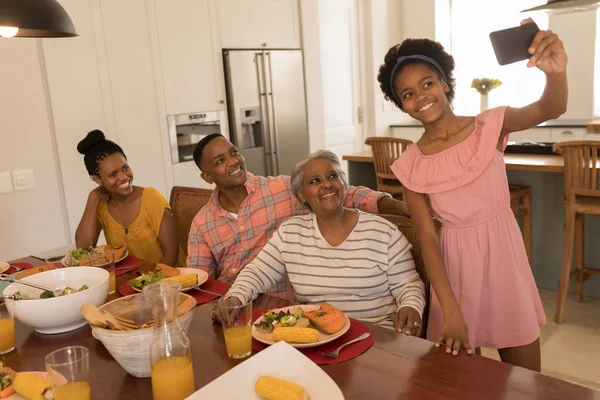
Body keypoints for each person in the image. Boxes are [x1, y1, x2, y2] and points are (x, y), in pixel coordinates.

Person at [377, 19, 567, 371]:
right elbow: (429, 240)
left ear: (445, 83)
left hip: (505, 263)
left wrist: (555, 73)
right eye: (407, 94)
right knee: (464, 382)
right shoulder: (410, 165)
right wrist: (450, 311)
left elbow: (550, 109)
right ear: (401, 106)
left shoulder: (489, 125)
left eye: (427, 84)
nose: (420, 97)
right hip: (454, 273)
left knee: (528, 380)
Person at [187, 134, 411, 301]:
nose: (233, 161)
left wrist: (401, 207)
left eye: (234, 152)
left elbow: (344, 193)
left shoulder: (281, 189)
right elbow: (200, 284)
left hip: (286, 308)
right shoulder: (202, 224)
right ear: (207, 177)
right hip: (234, 307)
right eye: (220, 161)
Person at [222, 150, 425, 332]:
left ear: (343, 184)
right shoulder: (290, 233)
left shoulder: (383, 232)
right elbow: (257, 272)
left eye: (332, 176)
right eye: (315, 181)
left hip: (376, 336)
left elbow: (408, 285)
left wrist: (410, 306)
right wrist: (236, 297)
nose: (327, 184)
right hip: (319, 338)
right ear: (302, 196)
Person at [75, 130, 186, 267]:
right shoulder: (101, 206)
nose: (123, 177)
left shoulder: (151, 198)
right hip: (130, 282)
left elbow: (171, 255)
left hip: (169, 280)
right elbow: (83, 248)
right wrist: (93, 198)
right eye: (113, 174)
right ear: (97, 179)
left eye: (125, 168)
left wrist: (146, 283)